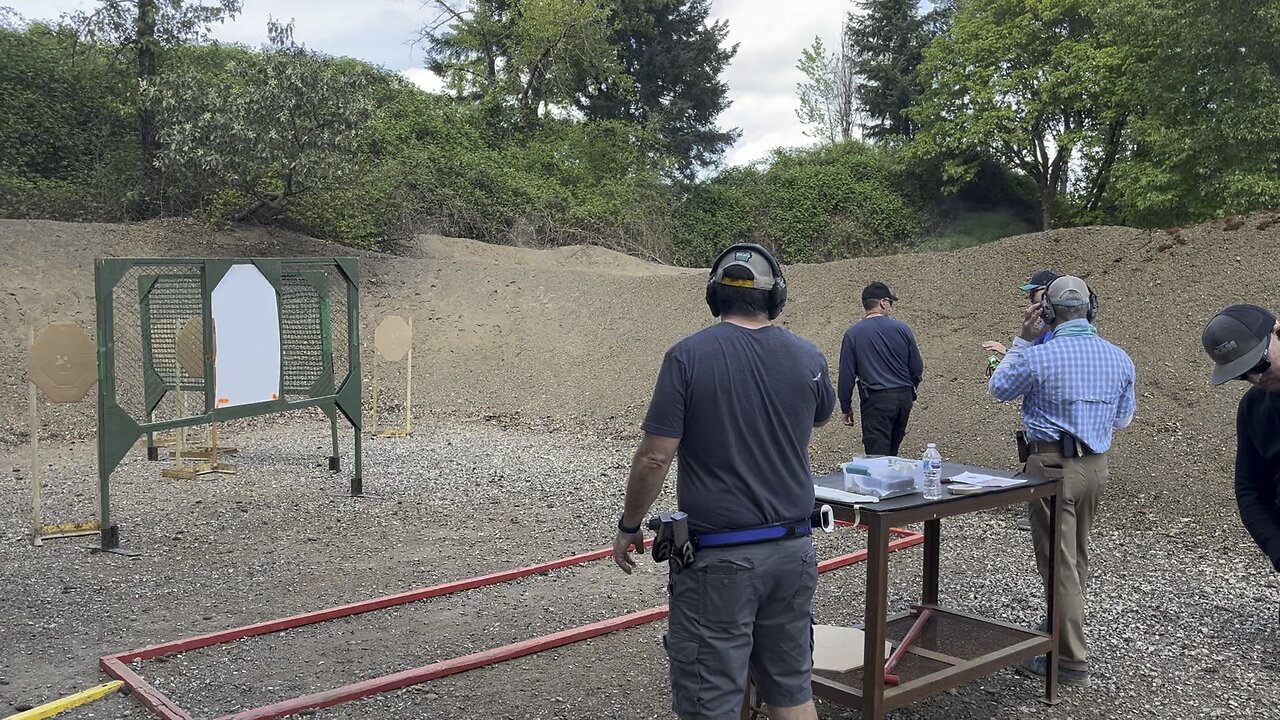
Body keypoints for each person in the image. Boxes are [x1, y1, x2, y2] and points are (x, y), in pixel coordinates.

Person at [612, 243, 835, 720]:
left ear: (715, 295)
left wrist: (629, 524)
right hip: (794, 552)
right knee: (792, 692)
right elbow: (818, 419)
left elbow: (655, 457)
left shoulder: (687, 357)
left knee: (709, 701)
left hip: (720, 561)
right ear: (776, 296)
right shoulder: (809, 357)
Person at [988, 275, 1136, 687]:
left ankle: (1069, 659)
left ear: (1047, 312)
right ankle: (1059, 625)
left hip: (1052, 467)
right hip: (1096, 466)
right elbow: (1123, 420)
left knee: (1058, 564)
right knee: (1076, 556)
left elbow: (999, 388)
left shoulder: (1039, 356)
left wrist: (1021, 339)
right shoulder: (1120, 358)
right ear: (1091, 308)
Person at [1200, 305, 1280, 590]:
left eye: (1258, 364)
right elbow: (1250, 490)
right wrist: (1276, 548)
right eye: (1242, 374)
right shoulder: (1252, 408)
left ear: (1277, 332)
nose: (1255, 378)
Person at [983, 269, 1062, 532]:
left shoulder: (1051, 333)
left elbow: (1006, 385)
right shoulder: (1049, 331)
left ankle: (1045, 514)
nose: (1032, 303)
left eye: (1035, 294)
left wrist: (1016, 348)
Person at [837, 281, 923, 457]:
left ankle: (881, 483)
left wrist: (846, 406)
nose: (890, 306)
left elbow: (846, 374)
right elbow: (916, 367)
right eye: (890, 302)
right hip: (903, 398)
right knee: (892, 452)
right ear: (883, 302)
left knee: (877, 456)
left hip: (876, 400)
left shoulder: (853, 334)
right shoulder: (902, 329)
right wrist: (908, 390)